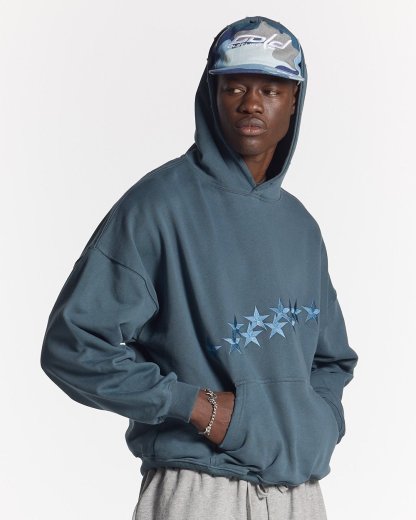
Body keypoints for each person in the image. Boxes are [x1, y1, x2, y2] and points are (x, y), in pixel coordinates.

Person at [40, 15, 359, 520]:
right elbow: (72, 344)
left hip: (300, 494)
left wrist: (318, 423)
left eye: (271, 89)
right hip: (199, 488)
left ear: (295, 99)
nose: (251, 103)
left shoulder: (301, 226)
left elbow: (332, 359)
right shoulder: (157, 206)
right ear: (212, 94)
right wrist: (195, 407)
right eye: (234, 87)